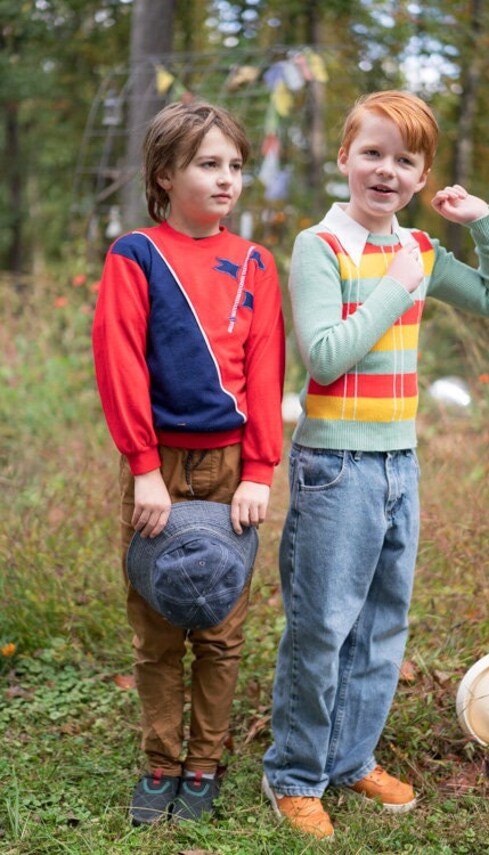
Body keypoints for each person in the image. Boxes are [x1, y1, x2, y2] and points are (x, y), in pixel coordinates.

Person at [262, 90, 489, 841]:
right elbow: (326, 356)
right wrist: (397, 285)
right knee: (322, 627)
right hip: (335, 468)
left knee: (381, 627)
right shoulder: (321, 245)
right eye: (372, 152)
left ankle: (351, 758)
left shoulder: (419, 249)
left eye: (404, 160)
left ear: (421, 177)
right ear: (343, 157)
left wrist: (486, 226)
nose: (385, 169)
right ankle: (296, 775)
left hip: (399, 466)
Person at [92, 100, 285, 826]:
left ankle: (204, 761)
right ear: (166, 174)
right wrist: (144, 465)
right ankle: (160, 759)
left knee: (219, 622)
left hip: (231, 466)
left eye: (235, 165)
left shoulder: (256, 263)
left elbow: (266, 370)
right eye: (209, 164)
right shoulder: (135, 254)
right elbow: (119, 361)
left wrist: (262, 469)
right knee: (157, 621)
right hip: (159, 465)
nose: (227, 178)